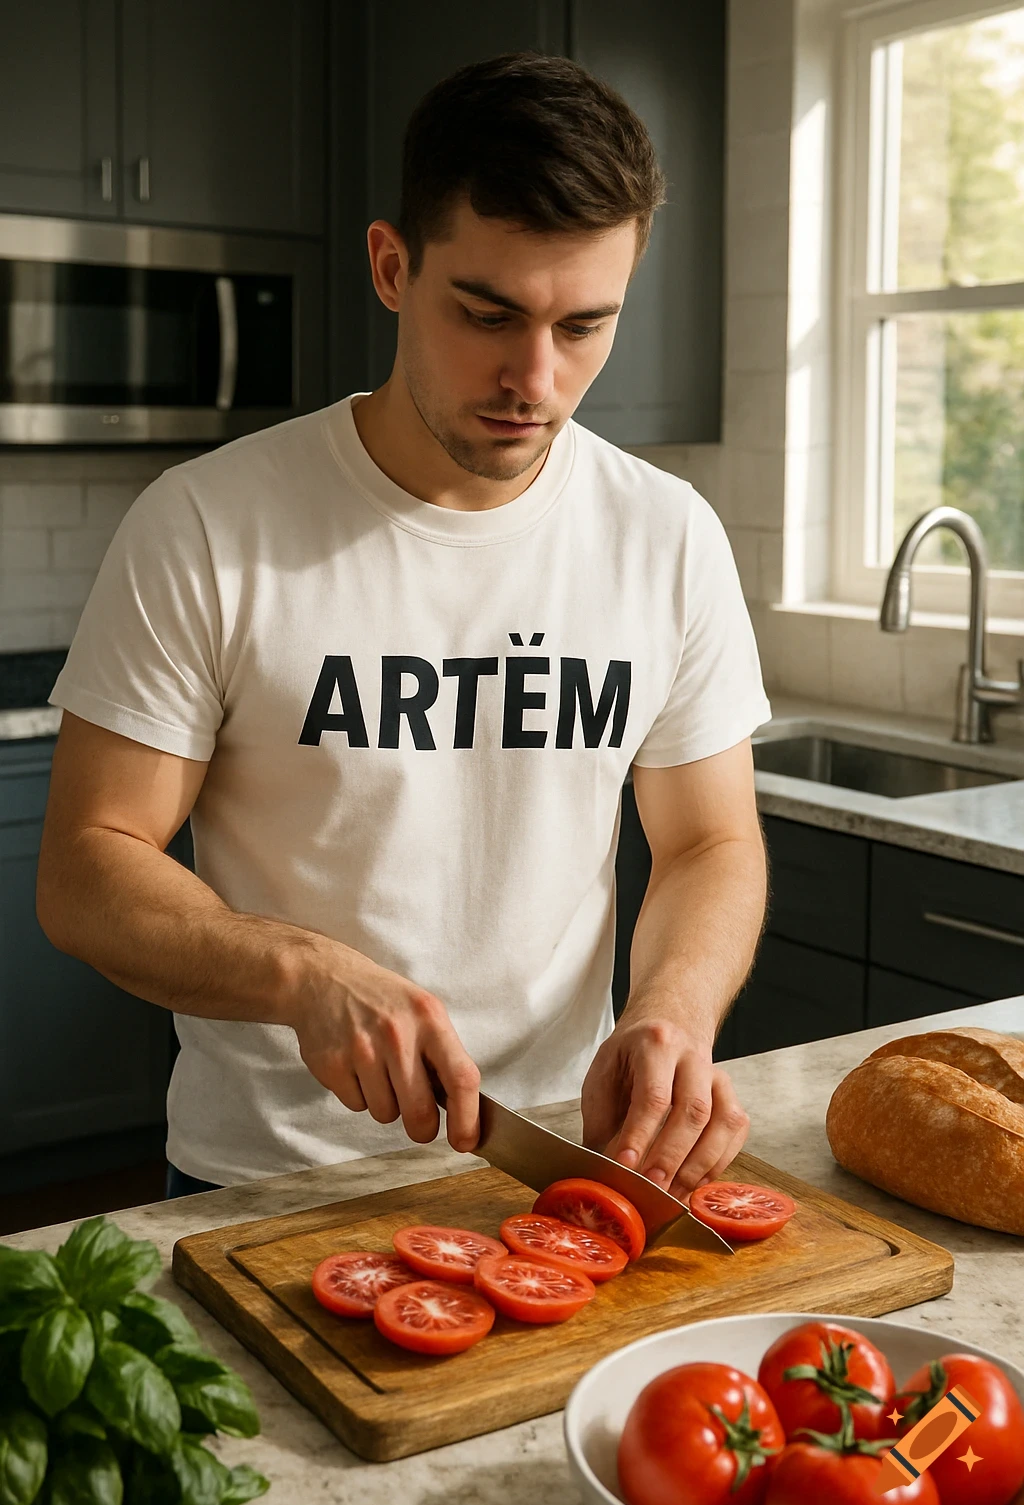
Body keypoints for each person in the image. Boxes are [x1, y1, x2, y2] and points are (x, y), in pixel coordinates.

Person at [36, 51, 771, 1202]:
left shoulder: (665, 534)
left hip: (551, 1174)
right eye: (488, 313)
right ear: (392, 266)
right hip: (261, 1183)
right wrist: (301, 971)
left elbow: (707, 843)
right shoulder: (207, 524)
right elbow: (88, 868)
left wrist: (669, 1009)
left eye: (584, 325)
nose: (535, 376)